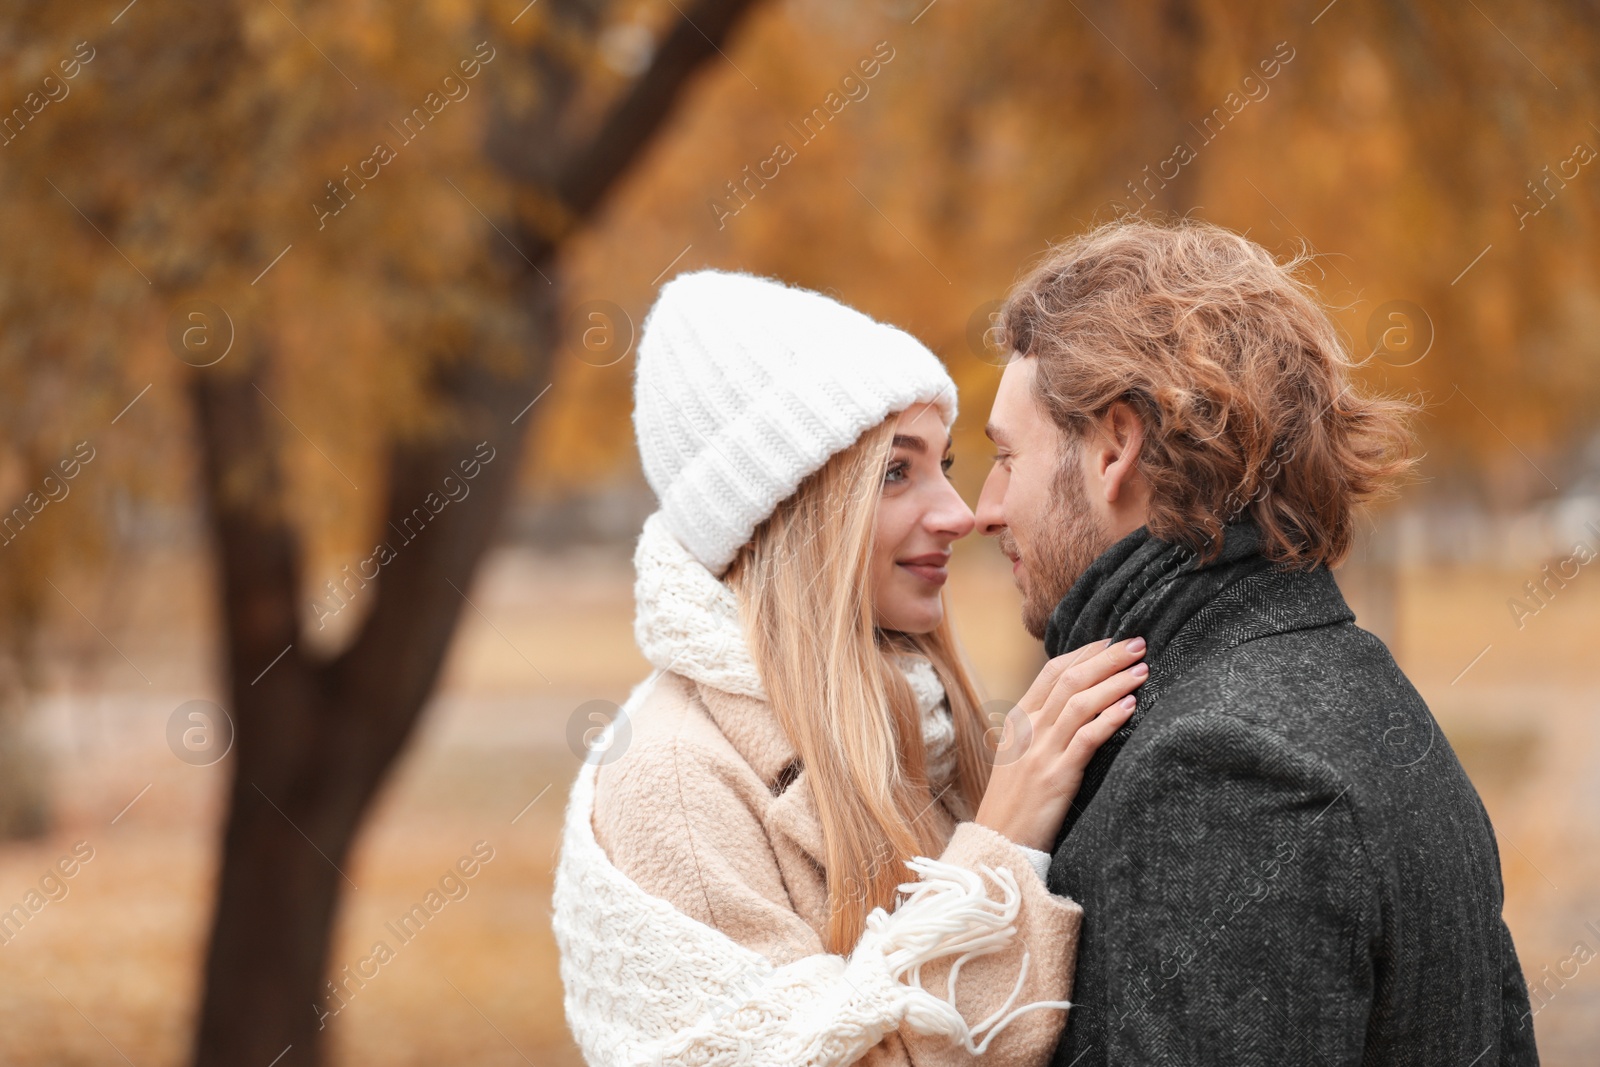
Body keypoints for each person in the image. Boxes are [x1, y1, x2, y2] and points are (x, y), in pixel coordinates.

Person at [974, 217, 1540, 1065]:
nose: (985, 507)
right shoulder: (1363, 690)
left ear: (1114, 447)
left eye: (1006, 457)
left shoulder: (1220, 768)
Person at [551, 269, 1147, 1067]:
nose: (959, 512)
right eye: (896, 471)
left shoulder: (928, 722)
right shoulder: (674, 781)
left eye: (946, 462)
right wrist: (998, 845)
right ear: (785, 510)